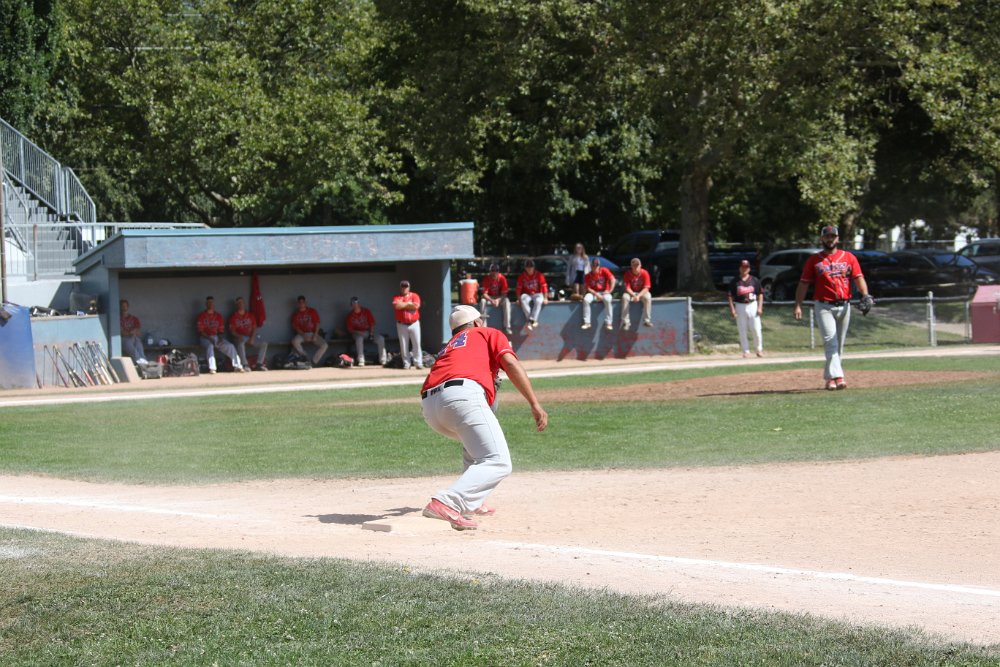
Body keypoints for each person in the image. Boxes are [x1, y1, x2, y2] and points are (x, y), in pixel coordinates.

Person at [420, 305, 548, 530]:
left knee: (475, 447)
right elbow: (510, 363)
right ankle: (447, 502)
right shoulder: (487, 333)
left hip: (430, 406)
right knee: (498, 461)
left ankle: (472, 501)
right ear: (477, 323)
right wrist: (534, 403)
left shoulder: (450, 346)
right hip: (460, 397)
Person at [794, 225, 873, 390]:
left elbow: (858, 278)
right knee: (831, 341)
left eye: (833, 236)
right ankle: (839, 377)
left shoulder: (848, 257)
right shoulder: (814, 260)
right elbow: (803, 283)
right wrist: (798, 305)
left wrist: (865, 295)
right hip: (824, 306)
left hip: (844, 305)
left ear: (838, 238)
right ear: (822, 239)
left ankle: (830, 378)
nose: (830, 239)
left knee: (839, 344)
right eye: (827, 236)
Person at [196, 296, 244, 373]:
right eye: (209, 302)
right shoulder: (201, 316)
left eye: (212, 302)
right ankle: (212, 368)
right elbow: (201, 332)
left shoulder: (218, 316)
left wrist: (220, 339)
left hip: (216, 337)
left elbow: (221, 331)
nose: (210, 304)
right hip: (205, 338)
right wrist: (210, 338)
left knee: (230, 346)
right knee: (210, 346)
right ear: (206, 304)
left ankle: (238, 366)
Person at [728, 259, 764, 358]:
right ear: (739, 268)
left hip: (753, 304)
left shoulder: (754, 280)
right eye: (743, 267)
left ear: (749, 268)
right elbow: (730, 296)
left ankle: (759, 349)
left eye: (746, 267)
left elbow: (760, 294)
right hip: (740, 305)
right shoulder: (735, 281)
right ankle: (746, 350)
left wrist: (760, 307)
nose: (744, 269)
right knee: (742, 329)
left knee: (756, 329)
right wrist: (732, 309)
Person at [229, 296, 269, 371]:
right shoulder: (233, 317)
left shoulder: (250, 315)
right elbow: (232, 331)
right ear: (236, 305)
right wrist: (239, 336)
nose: (241, 304)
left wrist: (252, 338)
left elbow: (254, 327)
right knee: (240, 343)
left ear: (244, 304)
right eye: (239, 303)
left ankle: (259, 364)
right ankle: (245, 365)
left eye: (242, 302)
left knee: (264, 344)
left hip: (250, 336)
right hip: (240, 337)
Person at [345, 296, 386, 367]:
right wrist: (358, 332)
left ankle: (383, 360)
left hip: (368, 332)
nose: (355, 305)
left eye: (356, 303)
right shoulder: (350, 315)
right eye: (353, 304)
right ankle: (361, 360)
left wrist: (371, 334)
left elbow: (372, 323)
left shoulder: (366, 311)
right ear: (351, 305)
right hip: (357, 333)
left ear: (359, 304)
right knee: (359, 339)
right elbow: (350, 330)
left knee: (381, 339)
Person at [393, 280, 423, 370]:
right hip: (401, 324)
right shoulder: (397, 297)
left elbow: (416, 306)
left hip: (414, 323)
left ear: (409, 287)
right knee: (403, 345)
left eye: (406, 287)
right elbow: (397, 306)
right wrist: (409, 304)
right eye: (403, 286)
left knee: (417, 344)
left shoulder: (414, 295)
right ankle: (406, 363)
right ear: (400, 287)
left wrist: (403, 304)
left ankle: (418, 363)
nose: (404, 288)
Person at [290, 295, 328, 366]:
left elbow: (317, 324)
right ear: (298, 304)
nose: (301, 304)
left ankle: (313, 361)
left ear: (306, 303)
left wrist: (315, 335)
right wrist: (304, 336)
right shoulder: (296, 314)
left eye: (303, 302)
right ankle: (305, 358)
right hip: (302, 334)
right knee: (295, 341)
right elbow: (296, 328)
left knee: (324, 345)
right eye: (300, 302)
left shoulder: (312, 311)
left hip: (313, 333)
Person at [582, 257, 616, 330]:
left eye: (596, 265)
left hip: (604, 292)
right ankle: (587, 322)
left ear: (599, 266)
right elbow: (588, 288)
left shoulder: (604, 270)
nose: (595, 267)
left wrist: (610, 291)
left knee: (608, 299)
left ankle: (609, 323)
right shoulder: (588, 275)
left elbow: (613, 279)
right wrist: (596, 294)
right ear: (591, 266)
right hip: (593, 293)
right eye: (593, 265)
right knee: (586, 299)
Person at [479, 263, 512, 335]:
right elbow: (484, 294)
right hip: (490, 298)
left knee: (507, 301)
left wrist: (498, 300)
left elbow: (504, 294)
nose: (494, 272)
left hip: (499, 298)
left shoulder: (502, 278)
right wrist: (492, 300)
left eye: (496, 270)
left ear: (498, 271)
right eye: (492, 270)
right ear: (490, 271)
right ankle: (483, 327)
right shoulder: (486, 279)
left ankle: (507, 326)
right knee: (482, 301)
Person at [620, 258, 653, 328]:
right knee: (624, 297)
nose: (636, 267)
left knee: (648, 296)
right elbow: (627, 288)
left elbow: (646, 288)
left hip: (641, 292)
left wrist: (638, 296)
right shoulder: (627, 274)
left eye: (637, 265)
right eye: (634, 265)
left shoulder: (645, 273)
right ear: (631, 266)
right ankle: (625, 322)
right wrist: (633, 295)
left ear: (640, 265)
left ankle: (647, 320)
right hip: (631, 293)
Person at [516, 259, 548, 331]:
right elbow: (518, 288)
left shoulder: (539, 275)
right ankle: (532, 320)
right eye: (528, 267)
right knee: (523, 299)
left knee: (539, 301)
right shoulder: (522, 276)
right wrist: (518, 299)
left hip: (537, 293)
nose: (529, 269)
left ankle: (530, 320)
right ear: (525, 268)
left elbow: (544, 286)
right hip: (527, 294)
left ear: (534, 267)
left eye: (531, 267)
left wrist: (546, 298)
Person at [119, 299, 147, 364]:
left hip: (134, 337)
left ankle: (145, 362)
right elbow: (121, 333)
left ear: (128, 307)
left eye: (125, 306)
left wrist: (134, 332)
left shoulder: (134, 318)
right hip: (124, 339)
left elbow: (138, 332)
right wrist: (130, 333)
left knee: (139, 345)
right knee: (131, 347)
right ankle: (140, 362)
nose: (124, 308)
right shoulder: (118, 318)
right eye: (122, 306)